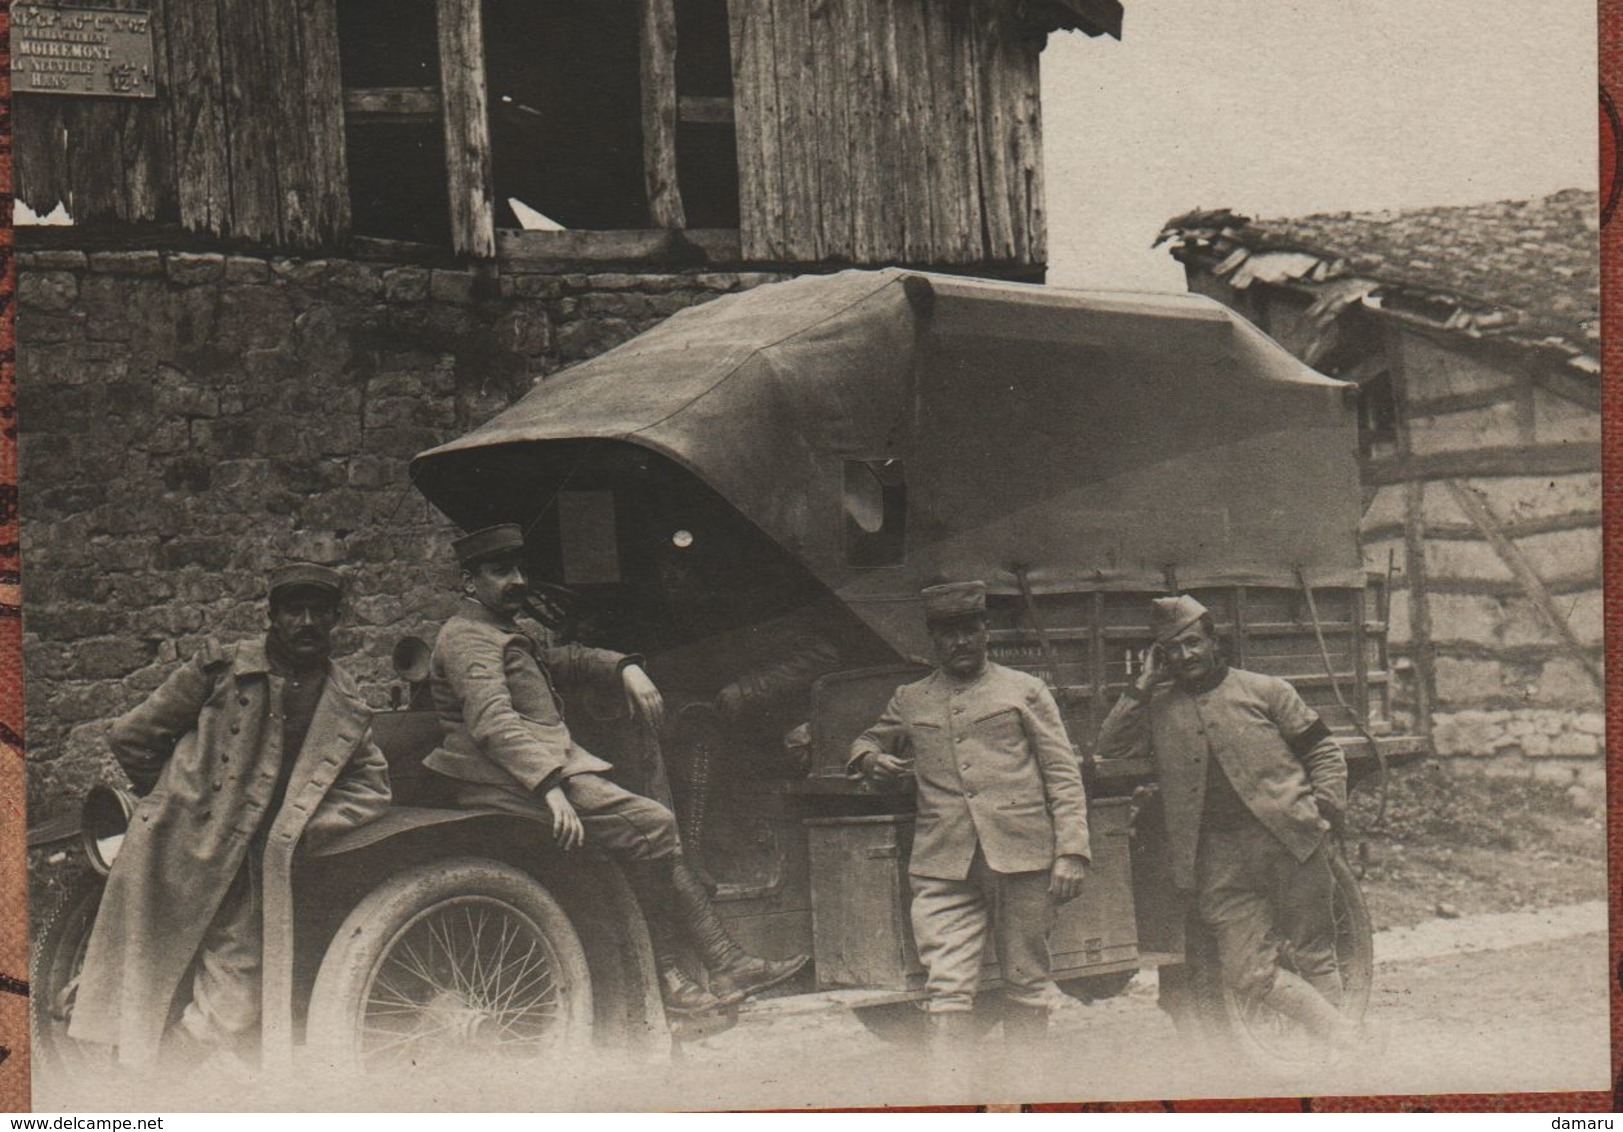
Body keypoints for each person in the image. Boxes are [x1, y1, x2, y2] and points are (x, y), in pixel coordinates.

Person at [422, 523, 808, 1017]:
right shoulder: (469, 639)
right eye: (500, 571)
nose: (516, 580)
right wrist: (550, 787)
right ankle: (673, 973)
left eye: (519, 569)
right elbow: (493, 723)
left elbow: (559, 661)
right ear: (467, 582)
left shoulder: (496, 631)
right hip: (508, 779)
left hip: (529, 773)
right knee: (653, 823)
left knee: (645, 829)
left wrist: (623, 666)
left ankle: (720, 962)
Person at [70, 564, 393, 1070]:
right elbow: (131, 737)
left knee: (235, 997)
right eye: (294, 609)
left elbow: (372, 786)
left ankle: (167, 1085)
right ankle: (121, 1091)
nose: (306, 621)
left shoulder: (347, 704)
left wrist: (310, 823)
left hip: (256, 869)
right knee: (142, 979)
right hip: (176, 849)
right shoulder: (219, 670)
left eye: (319, 611)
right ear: (272, 616)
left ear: (337, 619)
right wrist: (180, 798)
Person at [1094, 594, 1370, 1052]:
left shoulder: (1266, 690)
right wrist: (1142, 684)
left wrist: (1323, 809)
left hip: (1290, 843)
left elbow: (1323, 750)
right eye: (1173, 649)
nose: (1185, 656)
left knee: (1316, 955)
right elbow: (1110, 746)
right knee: (1245, 974)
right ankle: (1350, 1042)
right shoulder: (1159, 706)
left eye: (1193, 644)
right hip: (1217, 861)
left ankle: (1337, 1061)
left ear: (1212, 641)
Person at [848, 581, 1091, 1048]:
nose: (958, 642)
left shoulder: (1025, 690)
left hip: (1023, 859)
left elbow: (1062, 773)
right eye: (946, 633)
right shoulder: (910, 698)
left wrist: (1072, 852)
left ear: (985, 631)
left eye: (968, 630)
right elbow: (866, 741)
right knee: (947, 992)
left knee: (1027, 982)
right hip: (944, 865)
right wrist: (870, 759)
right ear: (932, 640)